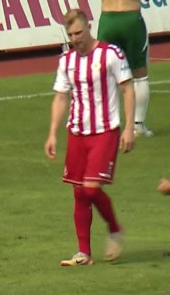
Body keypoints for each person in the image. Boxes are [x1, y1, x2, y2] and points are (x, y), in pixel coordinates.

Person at [45, 9, 134, 267]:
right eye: (70, 34)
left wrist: (129, 127)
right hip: (77, 133)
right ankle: (83, 253)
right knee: (79, 193)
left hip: (105, 131)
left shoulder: (111, 55)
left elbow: (127, 88)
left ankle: (115, 228)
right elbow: (61, 96)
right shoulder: (66, 61)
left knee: (92, 188)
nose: (75, 38)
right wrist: (52, 133)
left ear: (88, 27)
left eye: (79, 32)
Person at [97, 0, 153, 137]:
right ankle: (138, 124)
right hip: (131, 18)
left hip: (108, 19)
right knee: (140, 74)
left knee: (103, 73)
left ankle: (102, 122)